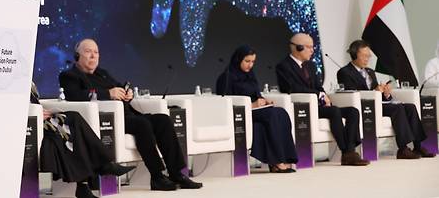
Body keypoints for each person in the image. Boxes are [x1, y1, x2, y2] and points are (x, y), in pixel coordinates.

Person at [59, 39, 202, 191]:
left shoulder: (103, 73)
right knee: (142, 124)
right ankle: (157, 176)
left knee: (163, 120)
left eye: (96, 52)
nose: (93, 56)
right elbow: (75, 95)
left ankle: (176, 173)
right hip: (108, 119)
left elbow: (119, 87)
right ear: (77, 56)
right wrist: (108, 93)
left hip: (128, 115)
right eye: (88, 52)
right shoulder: (69, 75)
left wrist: (128, 93)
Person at [276, 33, 369, 166]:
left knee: (353, 111)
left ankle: (350, 151)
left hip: (319, 106)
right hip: (303, 107)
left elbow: (319, 87)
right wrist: (318, 95)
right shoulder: (284, 66)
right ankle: (347, 152)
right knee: (334, 111)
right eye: (309, 47)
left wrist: (325, 96)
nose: (312, 50)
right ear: (299, 48)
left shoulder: (311, 66)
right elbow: (291, 88)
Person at [29, 83, 134, 198]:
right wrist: (36, 112)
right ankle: (104, 166)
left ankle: (85, 185)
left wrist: (42, 110)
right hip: (30, 121)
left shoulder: (29, 81)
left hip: (42, 118)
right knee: (74, 118)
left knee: (75, 129)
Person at [337, 40, 435, 159]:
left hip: (379, 103)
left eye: (369, 56)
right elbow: (351, 93)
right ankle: (403, 148)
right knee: (397, 108)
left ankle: (418, 146)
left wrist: (386, 93)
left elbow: (378, 92)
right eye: (364, 56)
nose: (367, 59)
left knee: (410, 107)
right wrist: (374, 92)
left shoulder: (370, 72)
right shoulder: (344, 72)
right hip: (365, 106)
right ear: (354, 54)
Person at [216, 45, 298, 173]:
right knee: (271, 115)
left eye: (253, 61)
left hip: (256, 111)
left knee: (281, 113)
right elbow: (225, 101)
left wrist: (264, 100)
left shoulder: (250, 75)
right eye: (247, 61)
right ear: (238, 60)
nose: (250, 65)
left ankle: (286, 157)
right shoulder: (227, 77)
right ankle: (276, 161)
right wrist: (252, 105)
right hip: (242, 112)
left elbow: (255, 94)